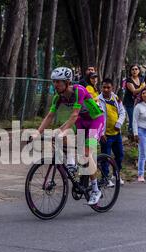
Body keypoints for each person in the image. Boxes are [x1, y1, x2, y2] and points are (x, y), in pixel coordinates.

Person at [34, 67, 105, 205]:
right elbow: (50, 116)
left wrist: (63, 131)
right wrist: (38, 132)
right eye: (54, 82)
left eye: (58, 82)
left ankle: (96, 189)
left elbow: (74, 114)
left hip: (95, 120)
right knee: (58, 133)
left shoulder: (79, 90)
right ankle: (71, 164)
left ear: (67, 82)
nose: (55, 85)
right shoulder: (58, 97)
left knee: (85, 153)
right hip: (80, 120)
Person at [98, 78, 126, 186]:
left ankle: (116, 174)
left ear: (112, 88)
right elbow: (97, 118)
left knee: (119, 155)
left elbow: (122, 111)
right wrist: (101, 133)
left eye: (108, 87)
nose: (106, 89)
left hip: (116, 134)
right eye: (104, 87)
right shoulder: (97, 100)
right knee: (106, 157)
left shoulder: (116, 98)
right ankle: (105, 178)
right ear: (101, 87)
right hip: (105, 135)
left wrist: (119, 123)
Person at [133, 88, 146, 183]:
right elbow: (135, 121)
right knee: (143, 153)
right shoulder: (138, 107)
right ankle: (140, 174)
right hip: (141, 131)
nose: (145, 95)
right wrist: (135, 134)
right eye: (143, 93)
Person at [123, 65, 145, 139]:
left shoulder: (141, 79)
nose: (134, 71)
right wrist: (143, 87)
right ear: (130, 71)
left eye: (136, 69)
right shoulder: (129, 80)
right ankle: (131, 135)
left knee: (138, 118)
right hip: (129, 102)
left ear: (139, 71)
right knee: (132, 118)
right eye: (132, 69)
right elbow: (134, 91)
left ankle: (136, 134)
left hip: (139, 102)